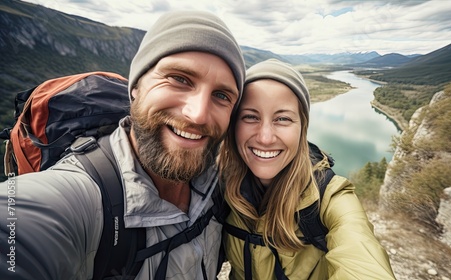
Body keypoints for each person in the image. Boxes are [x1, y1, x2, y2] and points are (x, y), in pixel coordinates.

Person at [0, 10, 245, 279]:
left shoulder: (223, 188)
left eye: (221, 95)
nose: (198, 114)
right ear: (136, 88)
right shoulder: (81, 200)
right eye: (179, 79)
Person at [218, 59, 396, 279]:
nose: (265, 137)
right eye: (250, 117)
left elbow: (360, 252)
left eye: (282, 118)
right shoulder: (217, 187)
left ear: (302, 128)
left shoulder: (328, 198)